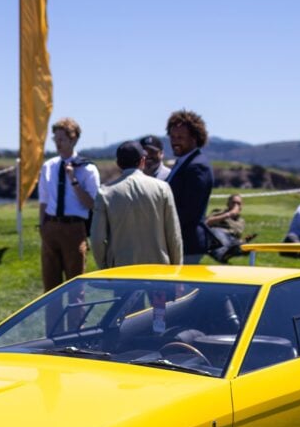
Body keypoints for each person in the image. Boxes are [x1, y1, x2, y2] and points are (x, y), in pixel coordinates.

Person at [91, 140, 182, 268]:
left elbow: (97, 240)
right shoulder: (162, 188)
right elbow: (174, 235)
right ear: (142, 161)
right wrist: (177, 268)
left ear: (118, 164)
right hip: (159, 269)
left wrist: (104, 267)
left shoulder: (105, 193)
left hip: (121, 270)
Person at [38, 117, 100, 291]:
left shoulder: (87, 169)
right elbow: (44, 199)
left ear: (73, 140)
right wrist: (42, 225)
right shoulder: (49, 166)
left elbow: (92, 204)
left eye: (62, 139)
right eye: (55, 139)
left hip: (73, 229)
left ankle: (75, 319)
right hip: (51, 226)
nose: (57, 143)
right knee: (50, 288)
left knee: (75, 287)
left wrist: (73, 180)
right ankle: (53, 319)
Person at [165, 109, 214, 264]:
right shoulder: (182, 162)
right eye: (172, 137)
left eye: (180, 137)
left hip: (188, 243)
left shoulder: (197, 166)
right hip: (177, 241)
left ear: (195, 138)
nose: (175, 141)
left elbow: (189, 211)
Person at [204, 193, 254, 263]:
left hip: (231, 239)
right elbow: (207, 222)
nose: (235, 205)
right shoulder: (219, 212)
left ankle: (228, 253)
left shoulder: (241, 221)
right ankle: (221, 255)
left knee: (245, 247)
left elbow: (236, 236)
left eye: (238, 203)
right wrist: (229, 214)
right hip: (219, 233)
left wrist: (245, 240)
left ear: (241, 206)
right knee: (220, 236)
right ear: (228, 204)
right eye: (233, 203)